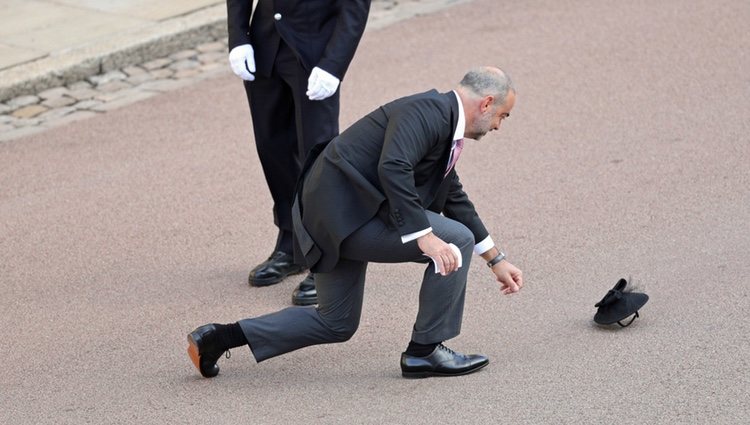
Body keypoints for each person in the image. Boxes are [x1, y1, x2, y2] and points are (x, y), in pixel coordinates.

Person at [187, 66, 524, 379]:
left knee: (335, 322)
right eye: (503, 116)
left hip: (337, 217)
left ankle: (219, 337)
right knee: (456, 240)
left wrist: (496, 259)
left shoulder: (441, 121)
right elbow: (394, 167)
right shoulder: (427, 112)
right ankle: (425, 351)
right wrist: (425, 237)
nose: (499, 126)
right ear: (486, 103)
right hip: (344, 217)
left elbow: (453, 196)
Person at [226, 0, 372, 305]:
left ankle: (327, 259)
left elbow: (355, 8)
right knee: (271, 148)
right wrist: (238, 37)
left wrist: (334, 65)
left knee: (319, 160)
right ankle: (292, 243)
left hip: (316, 52)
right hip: (265, 44)